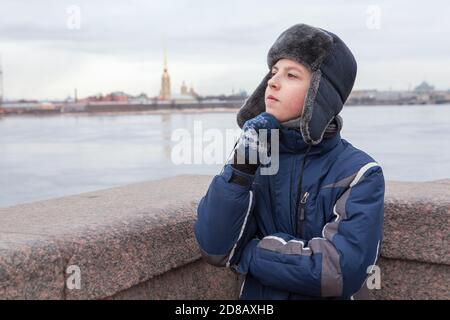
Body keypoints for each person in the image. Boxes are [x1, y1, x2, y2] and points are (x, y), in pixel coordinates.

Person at [194, 23, 385, 300]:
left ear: (321, 94)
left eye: (291, 75)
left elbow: (338, 272)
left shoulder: (360, 173)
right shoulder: (255, 158)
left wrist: (249, 253)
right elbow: (215, 247)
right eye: (273, 72)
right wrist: (240, 167)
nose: (273, 82)